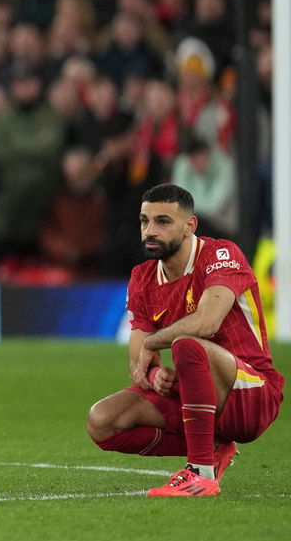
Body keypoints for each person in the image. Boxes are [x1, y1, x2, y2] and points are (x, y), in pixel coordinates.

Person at [85, 183, 281, 496]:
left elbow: (206, 322)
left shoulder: (221, 254)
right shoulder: (142, 278)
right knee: (102, 420)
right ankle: (214, 446)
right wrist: (154, 374)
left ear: (190, 226)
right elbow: (137, 363)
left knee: (187, 345)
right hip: (195, 398)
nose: (150, 230)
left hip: (251, 393)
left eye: (163, 221)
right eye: (144, 221)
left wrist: (153, 343)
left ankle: (201, 472)